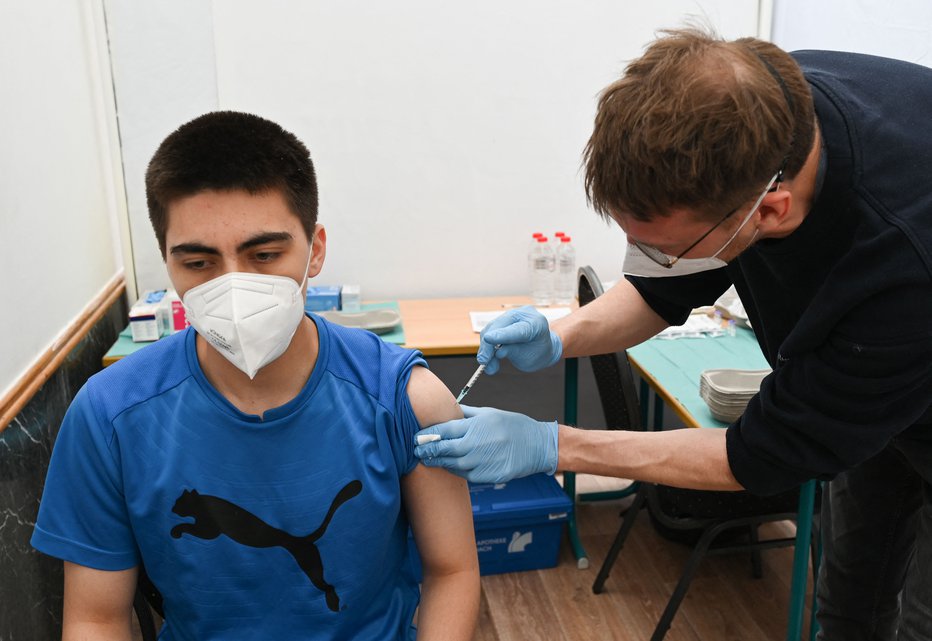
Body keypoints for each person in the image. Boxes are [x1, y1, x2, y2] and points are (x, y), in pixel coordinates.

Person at [414, 28, 932, 641]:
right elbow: (663, 289)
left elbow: (761, 453)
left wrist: (554, 445)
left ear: (769, 212)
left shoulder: (903, 260)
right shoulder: (753, 105)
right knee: (848, 601)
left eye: (662, 248)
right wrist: (561, 335)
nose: (647, 259)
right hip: (872, 390)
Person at [31, 111, 479, 640]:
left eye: (264, 254)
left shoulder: (407, 399)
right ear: (167, 261)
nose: (234, 287)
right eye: (199, 263)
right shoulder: (108, 418)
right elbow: (95, 618)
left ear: (315, 249)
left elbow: (452, 571)